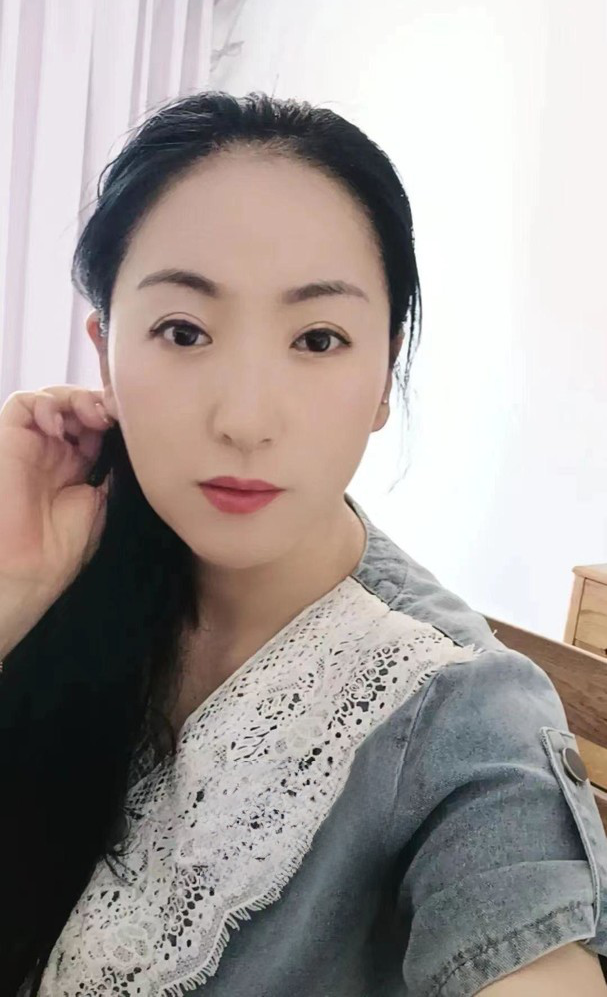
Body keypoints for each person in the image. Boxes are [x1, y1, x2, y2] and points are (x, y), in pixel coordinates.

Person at [0, 91, 605, 997]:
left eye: (317, 339)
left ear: (384, 376)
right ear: (105, 350)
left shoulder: (458, 711)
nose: (245, 420)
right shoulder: (66, 559)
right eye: (182, 331)